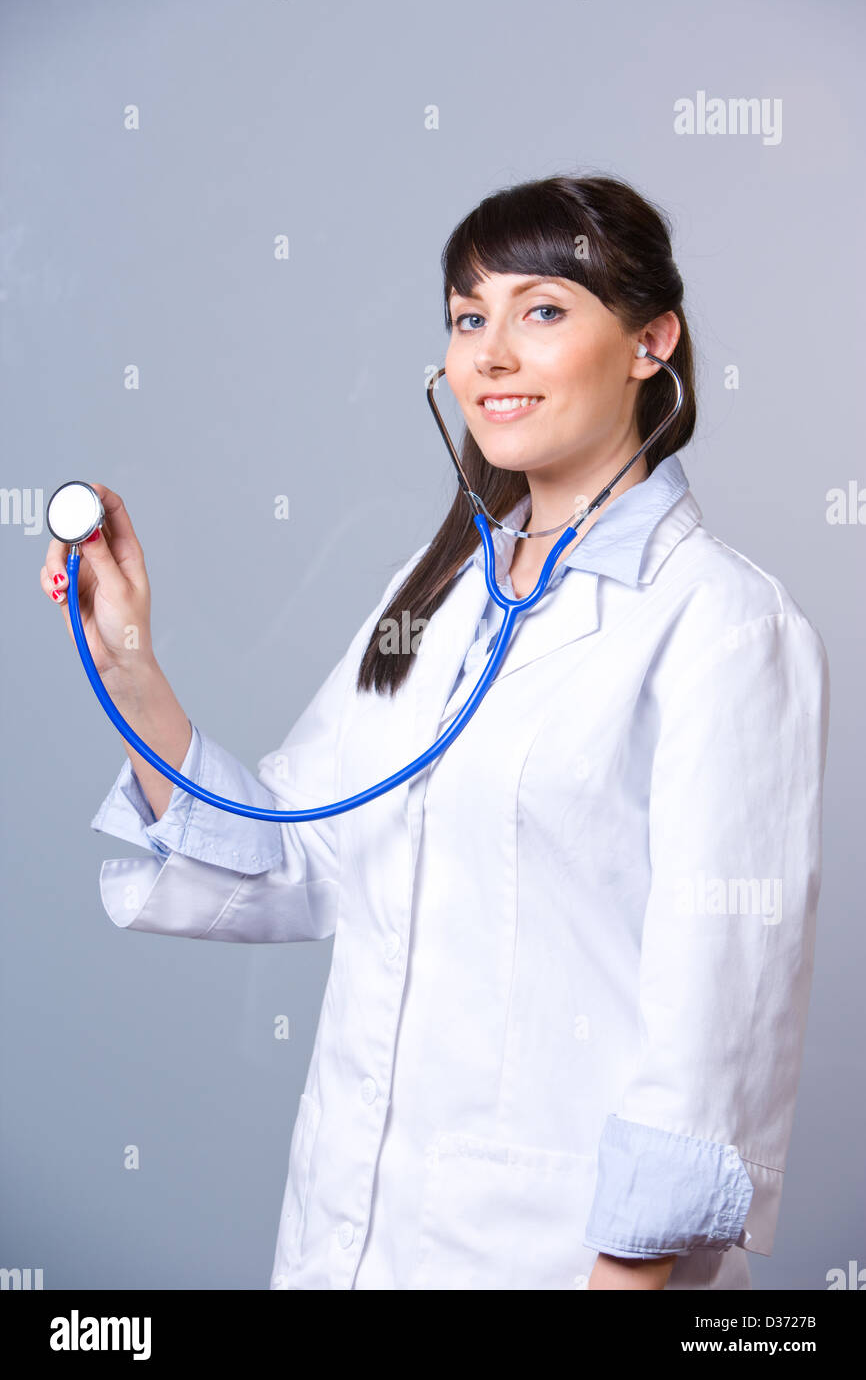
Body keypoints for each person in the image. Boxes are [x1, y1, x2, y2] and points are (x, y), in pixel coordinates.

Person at [41, 174, 830, 1291]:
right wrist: (129, 661)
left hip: (553, 1257)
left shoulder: (722, 624)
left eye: (542, 310)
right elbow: (297, 854)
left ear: (649, 340)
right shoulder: (434, 599)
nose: (490, 355)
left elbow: (718, 1014)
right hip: (348, 1236)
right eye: (468, 318)